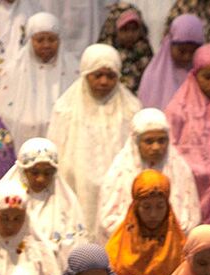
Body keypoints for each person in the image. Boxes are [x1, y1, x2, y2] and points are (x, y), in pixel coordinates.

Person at [48, 45, 142, 236]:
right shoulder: (65, 108)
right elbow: (55, 151)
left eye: (111, 76)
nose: (104, 81)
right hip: (75, 184)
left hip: (119, 188)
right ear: (85, 74)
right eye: (97, 75)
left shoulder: (132, 108)